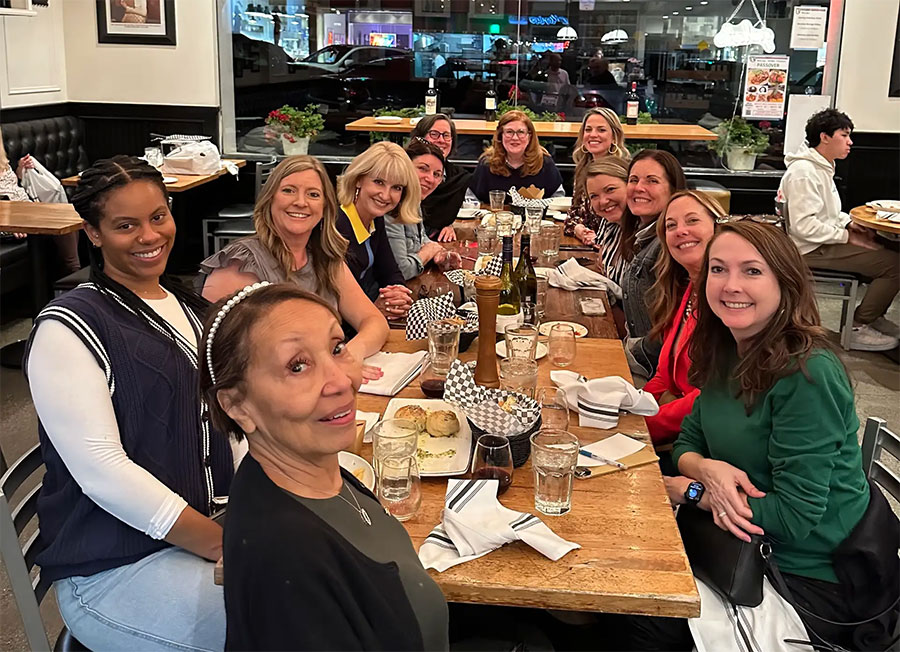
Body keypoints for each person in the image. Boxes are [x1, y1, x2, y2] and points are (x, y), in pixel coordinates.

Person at [655, 221, 898, 651]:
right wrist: (705, 468)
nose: (731, 285)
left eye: (751, 271)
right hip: (735, 540)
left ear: (784, 283)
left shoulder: (807, 374)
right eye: (718, 269)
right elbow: (690, 438)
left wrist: (689, 492)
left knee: (646, 622)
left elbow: (794, 518)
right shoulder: (726, 348)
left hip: (811, 577)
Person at [24, 156, 234, 650]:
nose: (149, 236)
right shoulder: (68, 327)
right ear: (93, 234)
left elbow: (225, 424)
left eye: (158, 217)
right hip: (113, 568)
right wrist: (223, 544)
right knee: (288, 623)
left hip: (206, 534)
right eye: (125, 225)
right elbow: (103, 471)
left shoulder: (187, 306)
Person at [199, 284, 449, 651]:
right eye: (297, 366)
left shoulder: (320, 474)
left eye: (337, 348)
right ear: (238, 406)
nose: (341, 381)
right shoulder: (287, 562)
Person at [197, 155, 389, 379]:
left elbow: (375, 322)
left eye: (313, 194)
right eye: (288, 190)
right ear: (269, 199)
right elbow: (219, 358)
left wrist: (350, 356)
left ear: (325, 207)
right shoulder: (240, 264)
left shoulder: (325, 258)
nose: (301, 202)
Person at [778, 108, 899, 351]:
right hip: (810, 249)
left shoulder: (820, 167)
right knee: (895, 265)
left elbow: (827, 214)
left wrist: (850, 224)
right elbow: (803, 227)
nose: (850, 142)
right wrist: (848, 236)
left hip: (819, 242)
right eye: (844, 135)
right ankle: (859, 325)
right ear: (824, 137)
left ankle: (873, 316)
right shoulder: (804, 172)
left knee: (886, 248)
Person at [643, 190, 723, 451]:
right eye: (671, 225)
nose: (680, 231)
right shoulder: (685, 290)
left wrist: (645, 427)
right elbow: (664, 376)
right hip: (680, 431)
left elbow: (710, 397)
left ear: (718, 228)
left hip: (706, 445)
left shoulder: (730, 300)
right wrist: (635, 406)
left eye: (692, 221)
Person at [619, 150, 687, 377]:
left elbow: (677, 330)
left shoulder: (671, 243)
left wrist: (624, 353)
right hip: (646, 365)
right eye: (633, 180)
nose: (639, 187)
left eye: (652, 181)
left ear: (674, 191)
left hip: (653, 372)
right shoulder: (643, 236)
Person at [336, 141, 417, 321]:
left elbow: (390, 272)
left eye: (396, 187)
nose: (386, 195)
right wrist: (373, 310)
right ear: (358, 180)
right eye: (379, 182)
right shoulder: (336, 227)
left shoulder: (375, 218)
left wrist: (397, 295)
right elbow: (334, 304)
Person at [0, 128, 80, 275]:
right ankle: (74, 276)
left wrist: (21, 169)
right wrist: (11, 222)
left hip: (28, 209)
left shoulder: (2, 160)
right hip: (13, 219)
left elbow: (10, 186)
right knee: (62, 220)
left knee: (68, 215)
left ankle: (74, 276)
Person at [385, 139, 461, 281]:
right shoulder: (390, 208)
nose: (430, 179)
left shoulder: (414, 202)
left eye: (437, 174)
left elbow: (422, 239)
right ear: (405, 167)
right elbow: (401, 270)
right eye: (423, 169)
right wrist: (428, 252)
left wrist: (440, 253)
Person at [467, 110, 563, 204]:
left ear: (529, 136)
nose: (515, 138)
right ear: (500, 136)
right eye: (509, 132)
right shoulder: (487, 163)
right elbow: (470, 198)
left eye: (521, 132)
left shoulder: (544, 162)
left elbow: (559, 197)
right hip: (496, 218)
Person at [565, 157, 629, 285]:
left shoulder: (646, 234)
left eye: (610, 189)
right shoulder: (609, 223)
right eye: (594, 196)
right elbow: (601, 265)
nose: (603, 201)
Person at [565, 109, 628, 240]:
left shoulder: (622, 171)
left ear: (614, 137)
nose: (593, 135)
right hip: (590, 248)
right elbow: (573, 215)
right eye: (588, 130)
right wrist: (579, 229)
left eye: (601, 130)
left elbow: (629, 220)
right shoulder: (583, 169)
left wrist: (600, 238)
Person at [410, 113, 472, 242]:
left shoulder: (459, 177)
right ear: (420, 137)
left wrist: (451, 225)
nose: (441, 140)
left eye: (446, 135)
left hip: (439, 242)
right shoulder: (406, 172)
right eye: (434, 134)